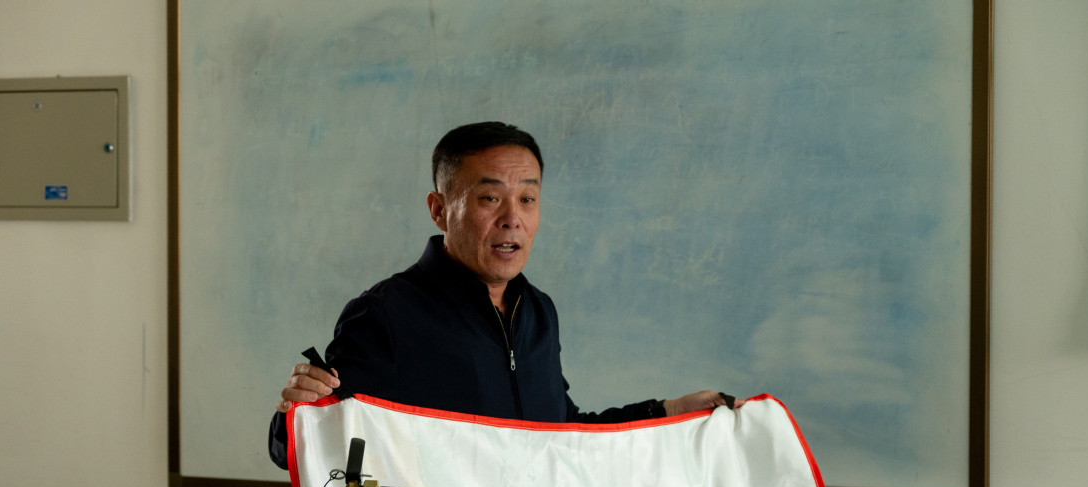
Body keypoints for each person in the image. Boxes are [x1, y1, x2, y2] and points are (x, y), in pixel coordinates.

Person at [268, 122, 742, 469]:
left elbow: (562, 435)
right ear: (439, 210)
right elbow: (314, 446)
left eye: (527, 199)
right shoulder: (386, 315)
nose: (512, 218)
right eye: (490, 198)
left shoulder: (538, 311)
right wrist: (293, 415)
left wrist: (667, 412)